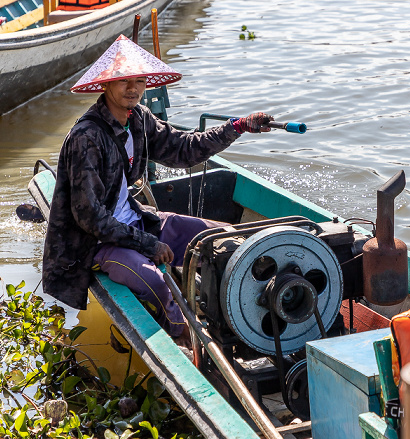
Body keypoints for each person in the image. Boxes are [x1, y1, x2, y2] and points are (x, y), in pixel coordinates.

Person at [42, 35, 274, 344]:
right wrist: (147, 244)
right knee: (159, 284)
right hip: (95, 244)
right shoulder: (87, 137)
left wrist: (238, 126)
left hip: (138, 222)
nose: (133, 88)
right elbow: (90, 218)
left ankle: (239, 324)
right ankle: (190, 348)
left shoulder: (138, 119)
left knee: (223, 241)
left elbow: (185, 149)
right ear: (106, 85)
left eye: (139, 80)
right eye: (124, 81)